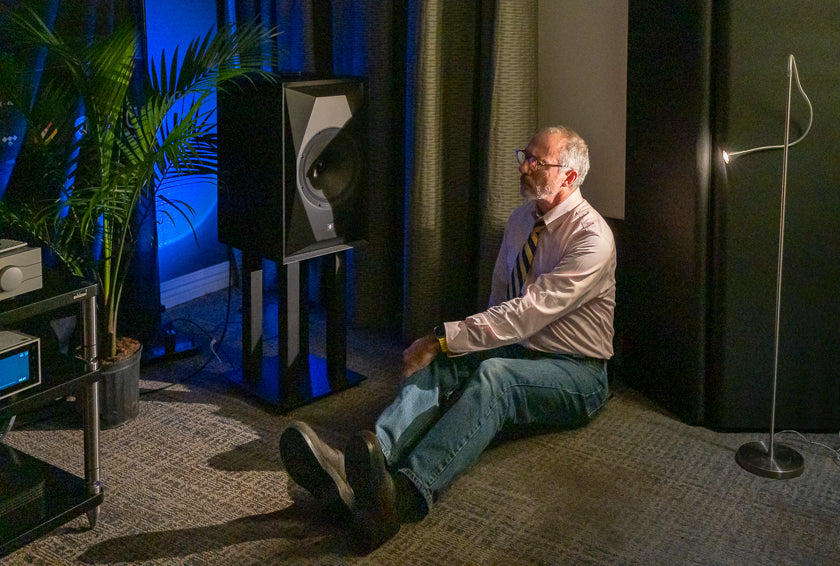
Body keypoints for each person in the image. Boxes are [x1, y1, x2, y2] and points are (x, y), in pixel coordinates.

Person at [279, 126, 616, 551]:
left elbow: (528, 313)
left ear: (569, 177)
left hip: (577, 371)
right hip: (520, 345)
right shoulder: (520, 219)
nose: (523, 166)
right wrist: (452, 347)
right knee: (452, 359)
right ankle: (363, 467)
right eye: (524, 155)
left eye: (536, 161)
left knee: (496, 378)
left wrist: (441, 338)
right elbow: (501, 299)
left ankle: (400, 498)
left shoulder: (592, 239)